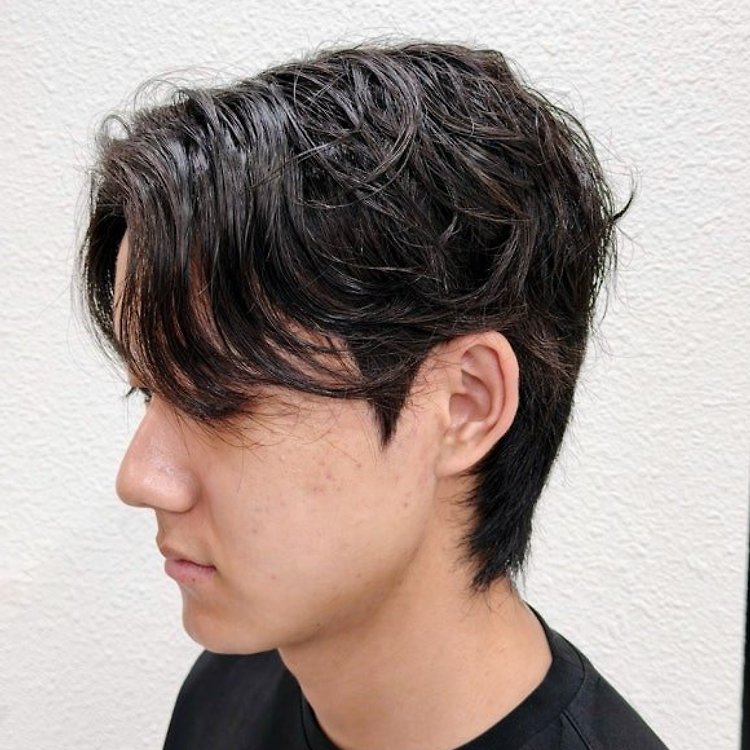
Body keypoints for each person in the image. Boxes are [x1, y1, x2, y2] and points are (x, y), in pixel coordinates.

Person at [77, 40, 668, 750]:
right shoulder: (230, 686)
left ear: (463, 404)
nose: (140, 479)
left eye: (218, 399)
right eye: (148, 394)